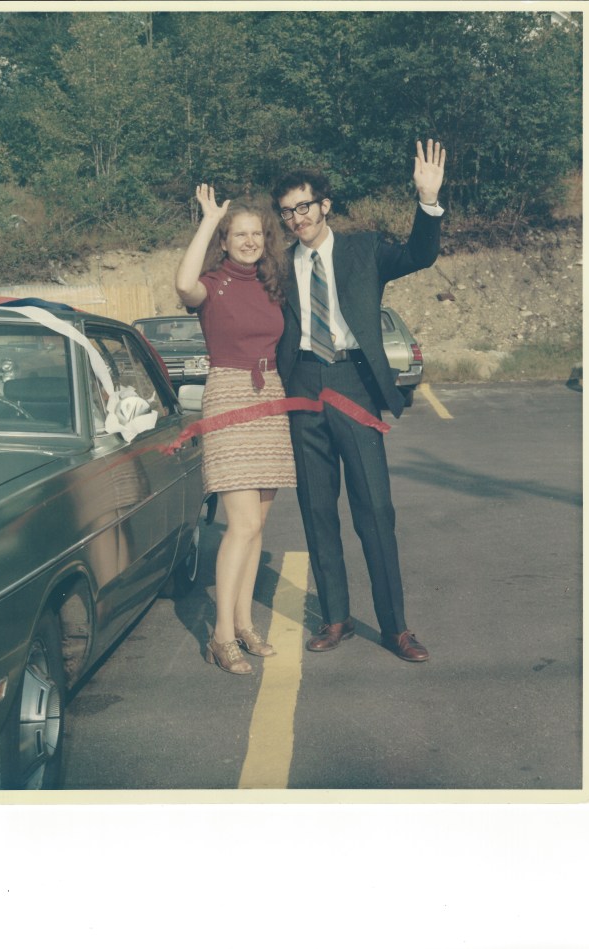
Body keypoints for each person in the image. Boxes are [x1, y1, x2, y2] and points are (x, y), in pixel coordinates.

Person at [271, 139, 446, 660]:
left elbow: (420, 254)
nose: (296, 218)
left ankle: (395, 627)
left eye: (304, 206)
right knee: (317, 508)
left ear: (325, 205)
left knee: (374, 508)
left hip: (354, 383)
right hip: (302, 385)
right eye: (287, 212)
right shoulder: (278, 267)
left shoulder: (363, 249)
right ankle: (336, 618)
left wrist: (427, 201)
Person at [175, 185, 296, 675]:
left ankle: (245, 623)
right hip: (228, 393)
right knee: (241, 524)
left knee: (258, 526)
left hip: (270, 395)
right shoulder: (211, 282)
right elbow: (183, 285)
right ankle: (220, 637)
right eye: (238, 234)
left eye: (255, 234)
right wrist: (208, 219)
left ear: (265, 239)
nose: (248, 241)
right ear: (224, 241)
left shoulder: (271, 284)